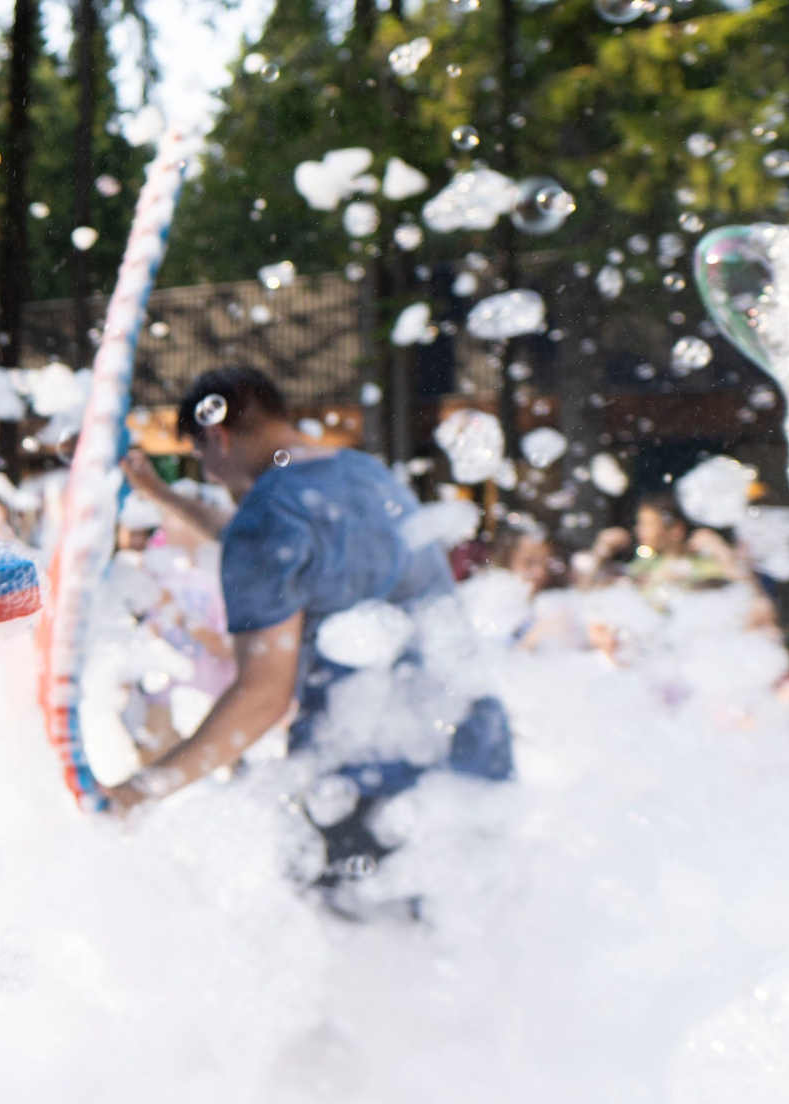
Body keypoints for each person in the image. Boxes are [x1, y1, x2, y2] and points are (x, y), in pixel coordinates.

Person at [105, 365, 513, 903]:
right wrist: (163, 496)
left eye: (202, 460)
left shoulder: (267, 516)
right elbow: (279, 549)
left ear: (218, 436)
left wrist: (142, 790)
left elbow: (263, 696)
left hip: (366, 786)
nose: (209, 477)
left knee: (363, 972)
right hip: (475, 756)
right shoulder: (365, 473)